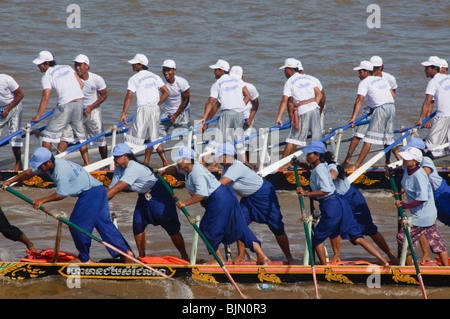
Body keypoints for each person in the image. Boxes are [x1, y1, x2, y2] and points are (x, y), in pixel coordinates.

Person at [1, 147, 134, 263]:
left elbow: (61, 194)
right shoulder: (48, 166)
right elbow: (28, 173)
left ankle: (84, 258)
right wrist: (10, 181)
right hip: (98, 191)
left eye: (41, 166)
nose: (39, 169)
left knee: (76, 224)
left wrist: (42, 200)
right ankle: (126, 254)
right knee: (104, 224)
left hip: (91, 193)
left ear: (48, 162)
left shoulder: (60, 170)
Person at [160, 146, 269, 265]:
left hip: (219, 200)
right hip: (226, 197)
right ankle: (261, 256)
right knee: (239, 227)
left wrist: (185, 203)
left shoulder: (197, 173)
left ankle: (218, 260)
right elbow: (175, 169)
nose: (177, 163)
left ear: (186, 160)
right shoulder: (187, 168)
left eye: (179, 160)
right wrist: (163, 172)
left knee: (206, 228)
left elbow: (202, 194)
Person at [296, 141, 389, 266]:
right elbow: (313, 169)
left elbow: (328, 186)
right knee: (355, 236)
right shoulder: (320, 165)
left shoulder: (325, 168)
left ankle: (325, 270)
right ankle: (383, 261)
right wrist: (299, 165)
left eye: (309, 154)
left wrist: (306, 193)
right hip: (340, 203)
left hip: (337, 202)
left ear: (318, 155)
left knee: (317, 238)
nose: (307, 156)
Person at [107, 143, 189, 260]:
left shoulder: (133, 167)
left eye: (116, 157)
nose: (114, 160)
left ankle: (185, 257)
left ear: (125, 156)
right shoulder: (119, 169)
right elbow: (111, 189)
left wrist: (94, 204)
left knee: (171, 227)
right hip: (144, 195)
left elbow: (118, 188)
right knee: (137, 225)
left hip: (160, 192)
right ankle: (142, 258)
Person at [214, 143, 293, 264]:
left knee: (277, 227)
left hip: (264, 194)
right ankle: (241, 256)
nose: (217, 159)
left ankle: (289, 257)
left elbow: (219, 186)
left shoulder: (236, 167)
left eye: (220, 157)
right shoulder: (225, 169)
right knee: (238, 224)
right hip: (247, 198)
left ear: (228, 156)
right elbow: (225, 190)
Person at [324, 151, 398, 264]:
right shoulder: (319, 167)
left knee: (370, 229)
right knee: (334, 226)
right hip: (339, 200)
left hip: (352, 198)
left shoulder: (330, 166)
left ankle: (390, 256)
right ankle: (336, 256)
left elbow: (333, 175)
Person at [31, 50, 89, 165]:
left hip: (65, 106)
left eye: (40, 64)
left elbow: (45, 96)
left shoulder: (47, 76)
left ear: (47, 64)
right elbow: (81, 85)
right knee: (81, 136)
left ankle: (44, 164)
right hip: (79, 103)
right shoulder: (67, 67)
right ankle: (87, 164)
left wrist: (38, 116)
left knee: (48, 136)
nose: (38, 67)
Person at [394, 146, 449, 266]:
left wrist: (405, 205)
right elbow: (400, 169)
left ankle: (409, 268)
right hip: (427, 214)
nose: (404, 160)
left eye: (407, 159)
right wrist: (391, 170)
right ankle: (446, 268)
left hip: (422, 215)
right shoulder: (407, 168)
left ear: (415, 162)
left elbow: (422, 198)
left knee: (403, 238)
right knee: (436, 241)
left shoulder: (419, 175)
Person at [343, 56, 398, 168]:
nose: (358, 75)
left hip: (380, 109)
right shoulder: (382, 79)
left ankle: (357, 165)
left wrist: (353, 117)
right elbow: (393, 95)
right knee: (388, 138)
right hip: (391, 107)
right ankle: (400, 161)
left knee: (368, 139)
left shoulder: (365, 82)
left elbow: (359, 99)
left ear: (367, 71)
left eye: (360, 72)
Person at [120, 54, 170, 166]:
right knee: (154, 137)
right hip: (155, 110)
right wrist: (157, 104)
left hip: (143, 109)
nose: (132, 65)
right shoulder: (155, 76)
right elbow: (166, 92)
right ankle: (165, 163)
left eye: (134, 63)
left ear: (140, 65)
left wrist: (124, 114)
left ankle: (126, 163)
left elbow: (129, 96)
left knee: (131, 139)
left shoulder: (134, 78)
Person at [201, 59, 251, 166]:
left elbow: (210, 102)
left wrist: (204, 120)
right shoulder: (238, 80)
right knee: (239, 139)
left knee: (216, 139)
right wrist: (240, 106)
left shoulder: (217, 83)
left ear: (221, 70)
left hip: (227, 114)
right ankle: (245, 163)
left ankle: (202, 164)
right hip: (239, 114)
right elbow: (248, 96)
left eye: (215, 70)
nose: (214, 72)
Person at [60, 54, 108, 160]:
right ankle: (57, 162)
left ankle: (105, 163)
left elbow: (104, 96)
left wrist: (90, 108)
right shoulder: (71, 79)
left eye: (80, 65)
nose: (77, 68)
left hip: (93, 111)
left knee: (100, 139)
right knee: (65, 137)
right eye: (75, 65)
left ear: (87, 66)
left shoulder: (97, 79)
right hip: (76, 111)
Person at [275, 58, 323, 161]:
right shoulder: (308, 78)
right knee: (316, 138)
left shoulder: (289, 82)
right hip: (315, 110)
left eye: (285, 69)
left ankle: (282, 164)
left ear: (291, 70)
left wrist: (279, 117)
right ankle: (314, 162)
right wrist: (314, 104)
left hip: (302, 111)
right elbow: (319, 94)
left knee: (292, 139)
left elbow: (284, 101)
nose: (284, 72)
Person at [415, 56, 450, 158]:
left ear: (435, 69)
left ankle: (425, 166)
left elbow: (427, 102)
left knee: (431, 145)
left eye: (427, 68)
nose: (425, 70)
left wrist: (421, 119)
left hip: (443, 116)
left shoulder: (433, 82)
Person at [158, 59, 191, 155]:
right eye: (164, 70)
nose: (166, 73)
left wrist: (176, 115)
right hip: (167, 112)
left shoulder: (182, 82)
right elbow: (157, 99)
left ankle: (191, 161)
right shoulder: (160, 82)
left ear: (174, 71)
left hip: (182, 113)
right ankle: (165, 162)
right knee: (155, 138)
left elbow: (186, 100)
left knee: (185, 140)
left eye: (168, 70)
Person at [0, 73, 24, 170]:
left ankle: (18, 163)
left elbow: (20, 95)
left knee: (14, 135)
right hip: (1, 109)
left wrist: (8, 109)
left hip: (14, 106)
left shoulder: (6, 79)